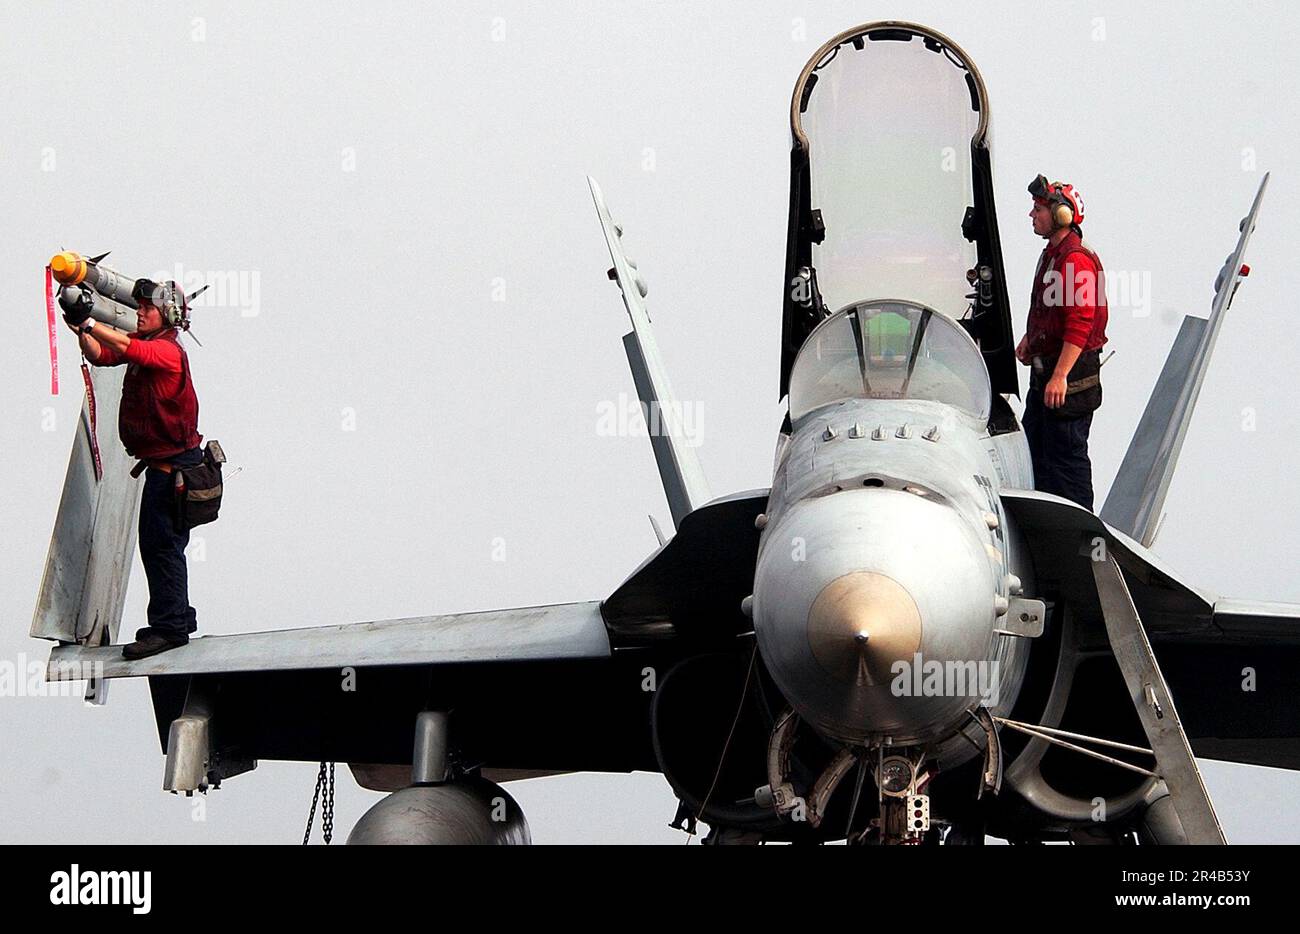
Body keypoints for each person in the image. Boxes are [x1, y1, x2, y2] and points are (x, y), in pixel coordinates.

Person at [62, 279, 204, 659]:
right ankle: (177, 617)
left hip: (173, 471)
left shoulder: (166, 352)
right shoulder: (148, 348)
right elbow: (101, 355)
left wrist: (90, 321)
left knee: (162, 548)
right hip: (164, 470)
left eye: (146, 309)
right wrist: (79, 327)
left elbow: (124, 345)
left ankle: (171, 628)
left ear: (167, 316)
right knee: (161, 547)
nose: (138, 312)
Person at [1016, 175, 1109, 511]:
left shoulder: (1075, 261)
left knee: (1066, 467)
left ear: (1061, 215)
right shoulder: (1053, 255)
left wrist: (1060, 376)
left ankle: (1078, 543)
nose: (1032, 215)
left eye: (1038, 209)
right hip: (1047, 378)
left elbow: (1080, 324)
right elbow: (1052, 310)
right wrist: (1032, 339)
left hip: (1066, 384)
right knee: (1033, 458)